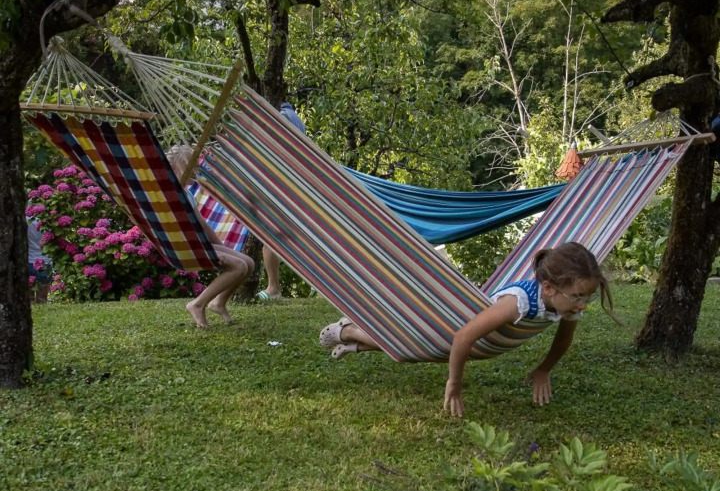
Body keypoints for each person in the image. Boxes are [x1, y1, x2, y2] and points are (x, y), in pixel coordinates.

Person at [319, 242, 616, 416]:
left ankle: (354, 344)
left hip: (482, 340)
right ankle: (349, 331)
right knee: (409, 348)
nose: (582, 305)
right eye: (578, 296)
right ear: (549, 288)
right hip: (453, 325)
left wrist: (544, 369)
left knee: (409, 352)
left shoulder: (567, 304)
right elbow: (463, 336)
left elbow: (563, 339)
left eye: (587, 297)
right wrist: (454, 384)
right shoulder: (518, 303)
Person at [166, 144, 255, 328]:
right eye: (189, 166)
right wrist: (209, 250)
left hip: (199, 245)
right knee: (238, 266)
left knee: (248, 263)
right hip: (184, 248)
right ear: (173, 167)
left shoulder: (186, 194)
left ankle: (218, 303)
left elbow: (203, 225)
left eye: (196, 166)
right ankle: (197, 304)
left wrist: (222, 247)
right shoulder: (168, 196)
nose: (195, 170)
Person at [258, 100, 307, 301]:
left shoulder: (282, 117)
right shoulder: (297, 121)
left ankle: (273, 288)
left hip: (280, 183)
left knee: (270, 236)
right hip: (295, 182)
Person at [27, 217, 53, 303]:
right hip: (45, 261)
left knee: (28, 300)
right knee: (42, 300)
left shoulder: (24, 219)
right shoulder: (50, 219)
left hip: (28, 259)